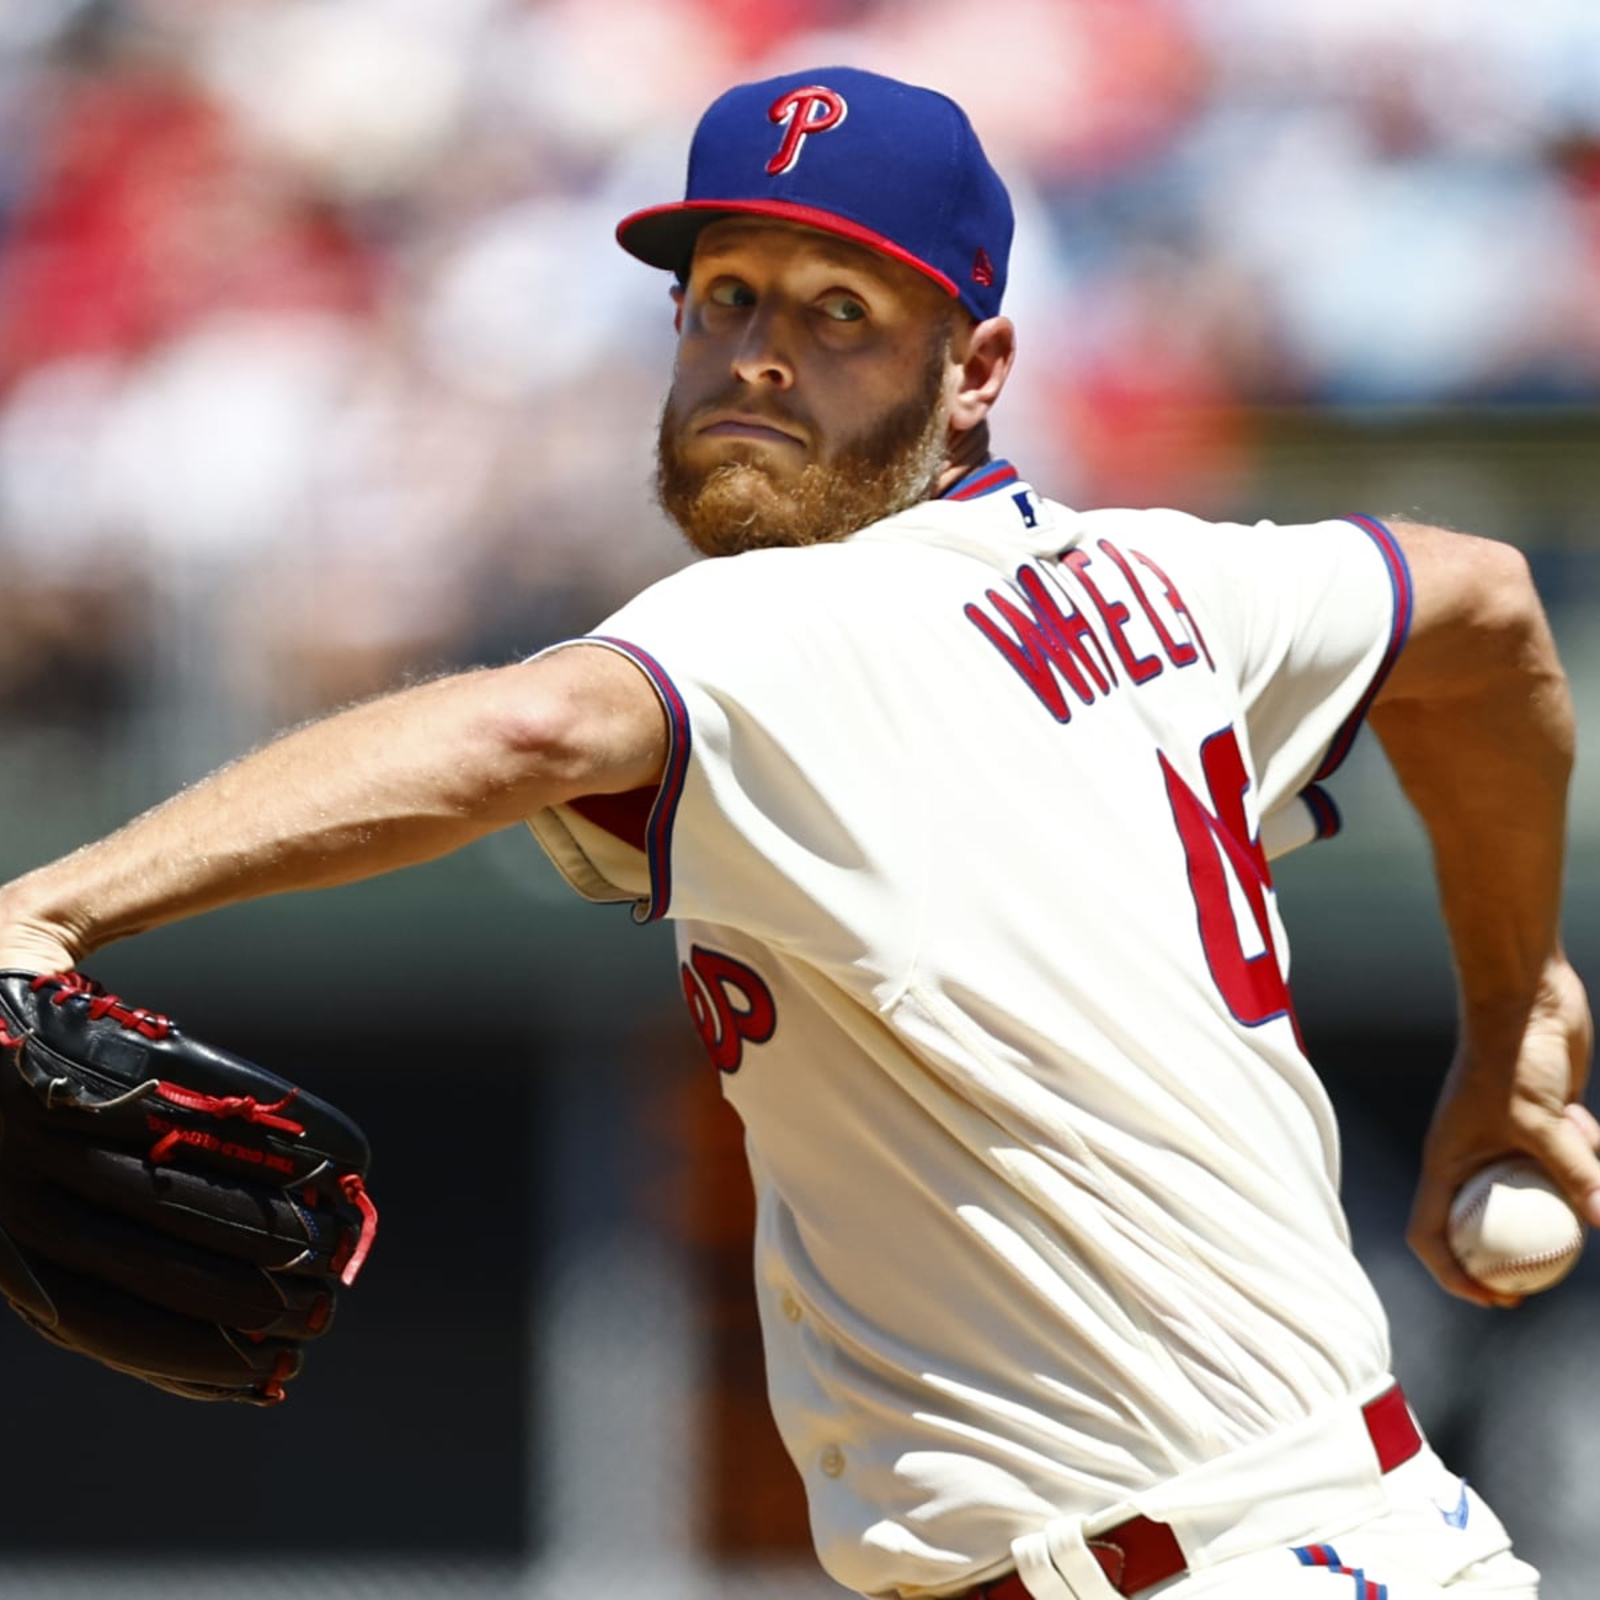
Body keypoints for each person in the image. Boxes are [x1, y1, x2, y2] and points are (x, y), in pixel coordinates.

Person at [0, 64, 1592, 1600]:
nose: (760, 354)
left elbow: (530, 727)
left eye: (843, 312)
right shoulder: (1175, 584)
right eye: (725, 296)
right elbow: (1483, 610)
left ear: (975, 370)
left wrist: (50, 907)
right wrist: (1512, 1007)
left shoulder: (810, 620)